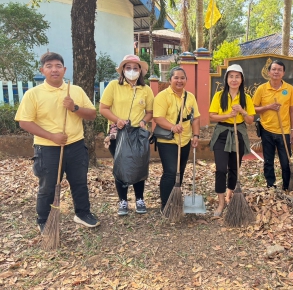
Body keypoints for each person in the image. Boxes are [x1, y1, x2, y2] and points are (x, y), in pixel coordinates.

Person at [15, 52, 100, 233]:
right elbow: (24, 122)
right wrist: (51, 136)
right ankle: (44, 219)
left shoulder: (75, 90)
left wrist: (74, 108)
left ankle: (83, 213)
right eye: (49, 66)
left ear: (64, 69)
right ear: (42, 70)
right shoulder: (33, 94)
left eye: (58, 66)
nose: (54, 70)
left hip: (76, 145)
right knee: (48, 185)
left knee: (79, 182)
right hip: (47, 148)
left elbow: (92, 114)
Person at [99, 54, 153, 216]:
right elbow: (103, 108)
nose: (131, 71)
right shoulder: (114, 86)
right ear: (123, 70)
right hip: (119, 133)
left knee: (139, 164)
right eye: (128, 68)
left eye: (135, 68)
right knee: (121, 165)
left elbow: (150, 112)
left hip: (138, 133)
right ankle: (122, 201)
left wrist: (144, 121)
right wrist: (117, 120)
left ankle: (139, 199)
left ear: (140, 71)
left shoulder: (146, 89)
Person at [209, 64, 255, 216]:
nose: (234, 80)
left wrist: (242, 111)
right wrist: (228, 115)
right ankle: (221, 203)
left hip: (238, 133)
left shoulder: (246, 98)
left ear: (242, 80)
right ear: (226, 79)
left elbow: (250, 120)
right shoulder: (219, 96)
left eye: (237, 76)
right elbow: (212, 116)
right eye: (231, 76)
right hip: (222, 134)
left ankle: (230, 196)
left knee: (234, 168)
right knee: (221, 169)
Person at [153, 67, 200, 212]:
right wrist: (172, 127)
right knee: (171, 171)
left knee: (180, 172)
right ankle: (165, 206)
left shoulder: (190, 97)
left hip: (184, 140)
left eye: (182, 78)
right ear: (170, 80)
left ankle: (175, 201)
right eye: (176, 78)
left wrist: (196, 135)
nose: (179, 81)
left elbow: (196, 118)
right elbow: (158, 118)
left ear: (186, 80)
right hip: (168, 141)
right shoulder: (162, 96)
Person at [252, 60, 293, 190]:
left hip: (284, 131)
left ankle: (286, 186)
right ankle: (270, 186)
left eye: (279, 70)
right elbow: (253, 108)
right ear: (269, 72)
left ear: (283, 73)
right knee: (268, 161)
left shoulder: (289, 89)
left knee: (286, 161)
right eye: (273, 69)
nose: (276, 72)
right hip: (266, 130)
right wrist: (268, 107)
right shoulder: (262, 89)